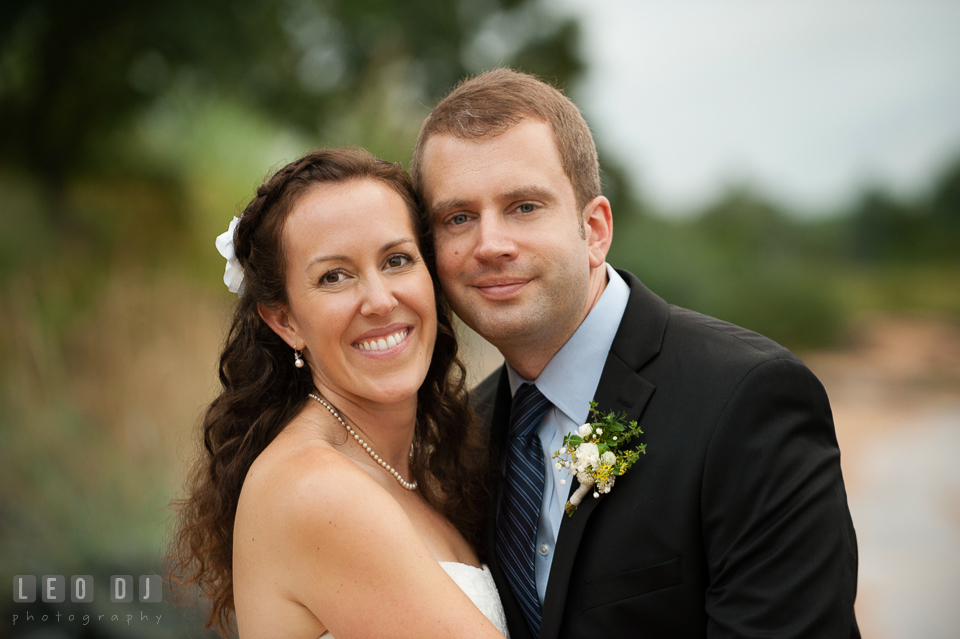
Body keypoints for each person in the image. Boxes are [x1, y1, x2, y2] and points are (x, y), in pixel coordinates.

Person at [410, 68, 860, 639]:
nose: (490, 244)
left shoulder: (747, 400)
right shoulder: (462, 433)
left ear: (595, 229)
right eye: (458, 218)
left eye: (524, 207)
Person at [169, 148, 511, 638]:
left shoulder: (421, 471)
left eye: (396, 260)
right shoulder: (315, 490)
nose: (379, 300)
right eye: (335, 276)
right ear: (284, 320)